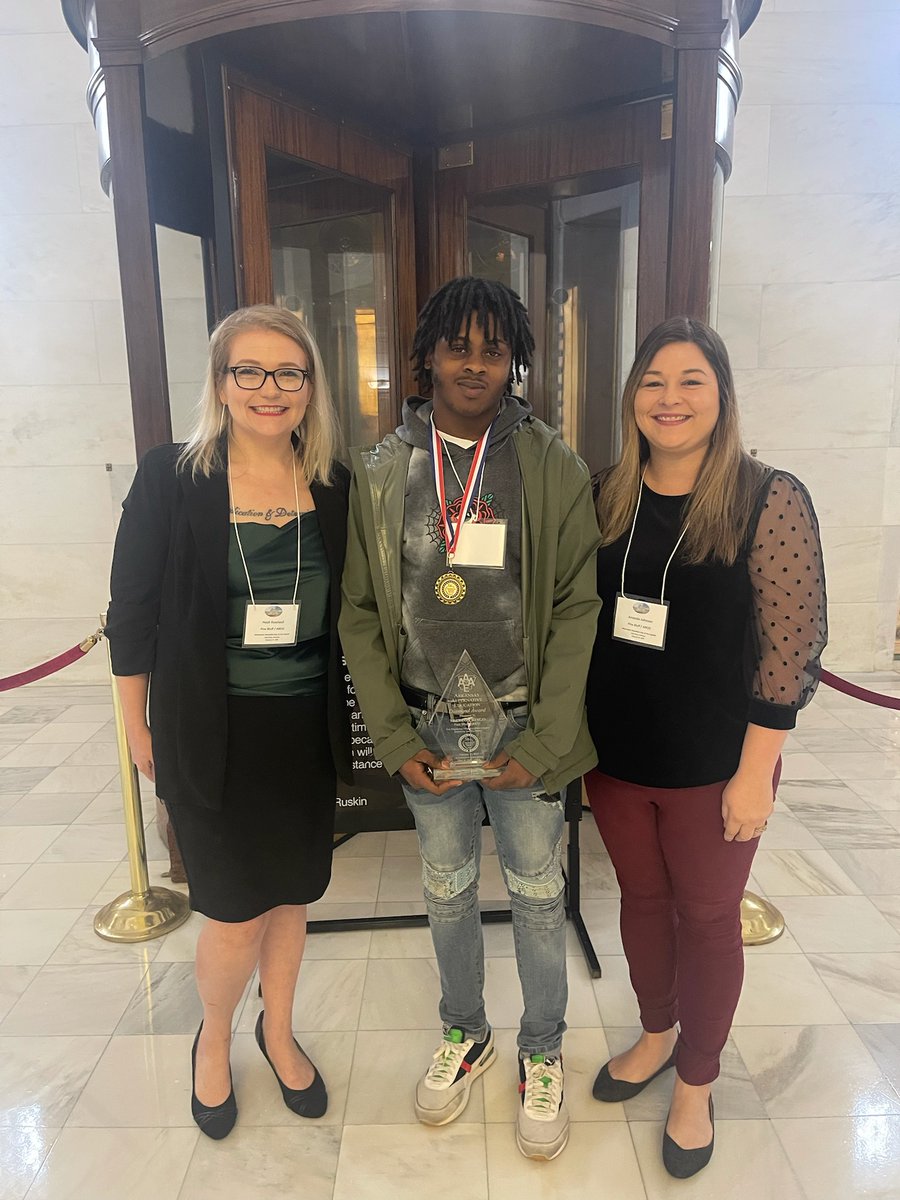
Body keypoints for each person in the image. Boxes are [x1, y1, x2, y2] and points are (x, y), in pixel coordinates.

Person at [340, 276, 600, 1160]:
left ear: (514, 360)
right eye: (460, 347)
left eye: (494, 350)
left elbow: (576, 608)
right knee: (446, 890)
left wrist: (548, 740)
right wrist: (393, 735)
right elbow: (361, 615)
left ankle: (542, 1047)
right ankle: (466, 1030)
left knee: (538, 894)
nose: (476, 365)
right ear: (429, 356)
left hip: (525, 725)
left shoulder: (551, 466)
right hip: (427, 729)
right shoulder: (383, 470)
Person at [585, 317, 827, 1178]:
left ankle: (697, 1078)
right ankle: (657, 1034)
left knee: (709, 918)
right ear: (632, 398)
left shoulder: (767, 497)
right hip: (617, 758)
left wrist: (756, 773)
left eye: (691, 381)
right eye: (654, 381)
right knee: (643, 903)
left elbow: (791, 648)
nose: (671, 399)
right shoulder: (606, 493)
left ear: (721, 395)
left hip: (716, 762)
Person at [106, 304, 350, 1140]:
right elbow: (132, 613)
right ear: (220, 383)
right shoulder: (171, 478)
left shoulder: (333, 483)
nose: (269, 389)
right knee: (235, 910)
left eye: (289, 372)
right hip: (208, 733)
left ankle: (278, 1032)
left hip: (302, 735)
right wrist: (136, 727)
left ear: (310, 386)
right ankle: (214, 1038)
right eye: (249, 370)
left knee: (290, 898)